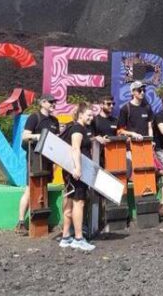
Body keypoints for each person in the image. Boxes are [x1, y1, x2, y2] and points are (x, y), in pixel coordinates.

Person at [16, 94, 60, 235]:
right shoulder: (34, 117)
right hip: (35, 159)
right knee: (30, 189)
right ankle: (21, 222)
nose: (54, 104)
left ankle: (41, 222)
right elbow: (25, 136)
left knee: (43, 189)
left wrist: (55, 162)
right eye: (51, 102)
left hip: (47, 160)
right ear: (43, 103)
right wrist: (39, 136)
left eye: (55, 102)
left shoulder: (55, 121)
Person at [59, 103, 97, 251]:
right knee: (78, 203)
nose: (91, 117)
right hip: (75, 172)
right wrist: (78, 168)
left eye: (92, 115)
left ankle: (65, 237)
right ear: (80, 115)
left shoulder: (79, 128)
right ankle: (79, 238)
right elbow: (75, 148)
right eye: (88, 115)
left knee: (69, 203)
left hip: (71, 172)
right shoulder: (77, 129)